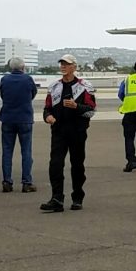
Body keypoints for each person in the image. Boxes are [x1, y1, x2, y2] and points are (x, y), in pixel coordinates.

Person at [40, 54, 96, 213]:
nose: (63, 66)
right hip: (58, 131)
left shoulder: (85, 86)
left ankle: (77, 197)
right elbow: (47, 108)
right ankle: (56, 198)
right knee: (55, 164)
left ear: (74, 67)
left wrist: (76, 106)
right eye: (62, 64)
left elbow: (91, 111)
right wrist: (47, 117)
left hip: (77, 132)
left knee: (77, 165)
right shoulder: (54, 87)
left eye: (67, 64)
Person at [0, 56, 39, 193]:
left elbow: (3, 95)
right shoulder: (28, 79)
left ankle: (7, 181)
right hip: (24, 117)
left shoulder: (5, 79)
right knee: (26, 151)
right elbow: (33, 93)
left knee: (7, 151)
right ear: (23, 67)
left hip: (8, 117)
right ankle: (27, 182)